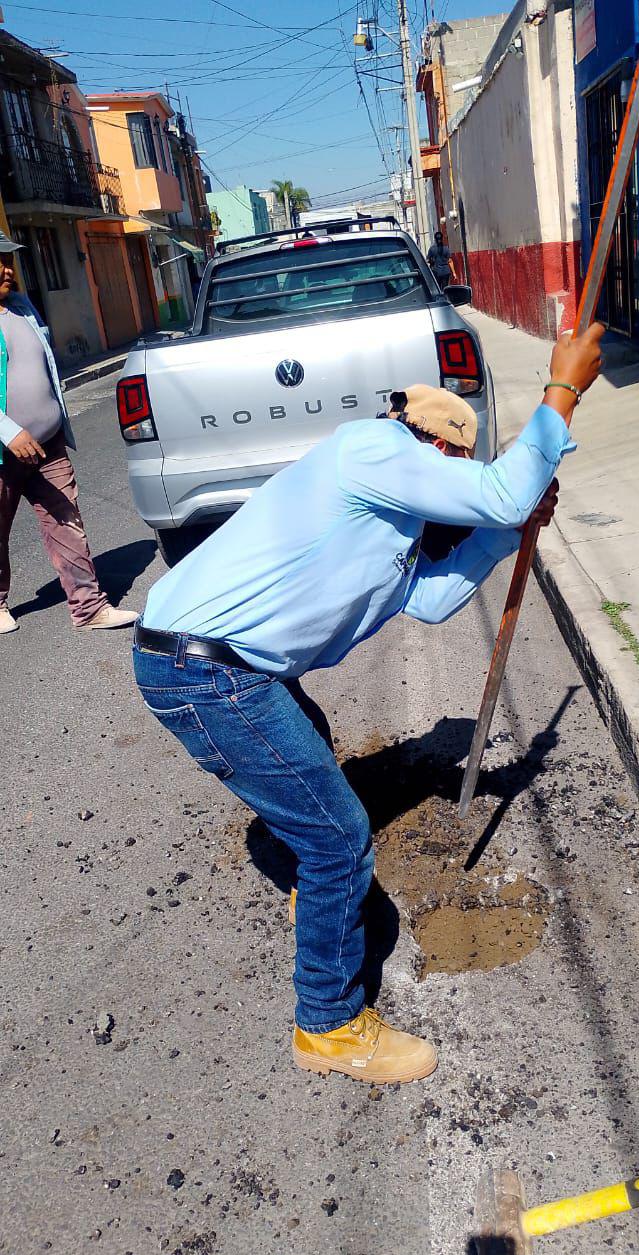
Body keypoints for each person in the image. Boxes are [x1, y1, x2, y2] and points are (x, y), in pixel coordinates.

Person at [132, 323, 604, 1085]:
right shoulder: (378, 451)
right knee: (340, 837)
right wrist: (564, 389)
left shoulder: (384, 525)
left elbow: (435, 600)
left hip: (219, 663)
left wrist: (512, 532)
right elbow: (502, 488)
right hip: (207, 673)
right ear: (438, 451)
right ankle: (329, 1024)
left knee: (308, 748)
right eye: (457, 468)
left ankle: (310, 891)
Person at [0, 234, 137, 634]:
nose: (8, 267)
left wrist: (52, 419)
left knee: (66, 521)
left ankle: (89, 607)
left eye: (8, 258)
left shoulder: (21, 307)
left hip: (49, 442)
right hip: (5, 451)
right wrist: (9, 432)